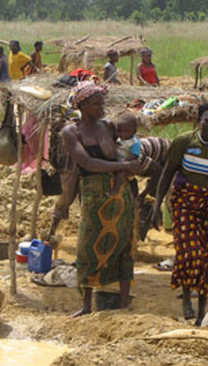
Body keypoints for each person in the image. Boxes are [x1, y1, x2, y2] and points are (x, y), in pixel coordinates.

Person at [152, 103, 208, 326]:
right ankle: (186, 299)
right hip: (183, 202)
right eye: (207, 121)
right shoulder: (184, 141)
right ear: (199, 120)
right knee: (188, 250)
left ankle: (202, 310)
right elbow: (168, 173)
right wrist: (156, 205)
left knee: (207, 257)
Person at [61, 82, 141, 316]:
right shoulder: (71, 132)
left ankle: (124, 300)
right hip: (94, 194)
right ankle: (86, 305)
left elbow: (126, 147)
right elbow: (87, 163)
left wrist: (133, 165)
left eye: (102, 103)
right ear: (82, 105)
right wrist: (126, 165)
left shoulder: (108, 126)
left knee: (124, 243)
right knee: (87, 247)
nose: (101, 108)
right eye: (96, 104)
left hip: (120, 194)